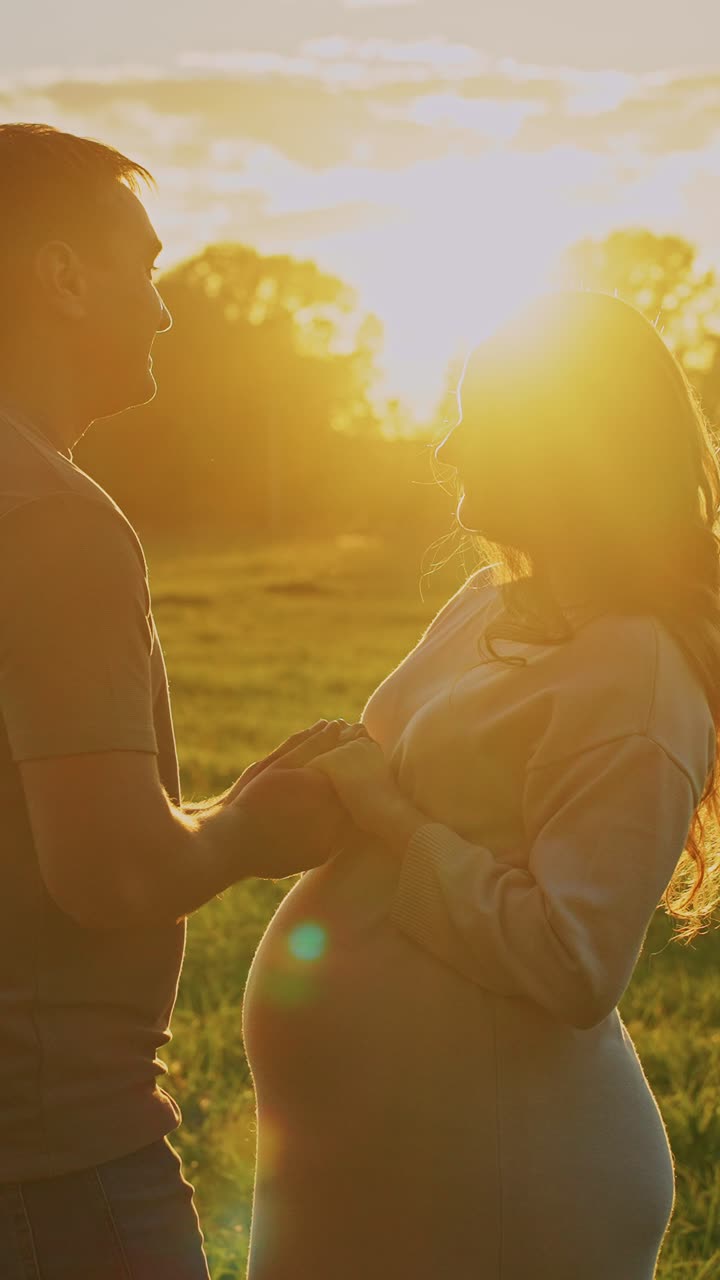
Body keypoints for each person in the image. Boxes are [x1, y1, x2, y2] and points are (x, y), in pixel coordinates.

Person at [243, 290, 720, 1279]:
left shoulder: (636, 668)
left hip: (502, 1181)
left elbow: (572, 959)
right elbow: (410, 775)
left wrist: (383, 808)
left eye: (482, 419)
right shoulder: (491, 601)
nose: (448, 444)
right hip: (373, 1161)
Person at [0, 123, 358, 1280]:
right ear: (61, 276)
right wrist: (254, 829)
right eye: (145, 270)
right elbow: (109, 873)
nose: (162, 309)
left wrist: (208, 805)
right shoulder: (52, 517)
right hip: (53, 1166)